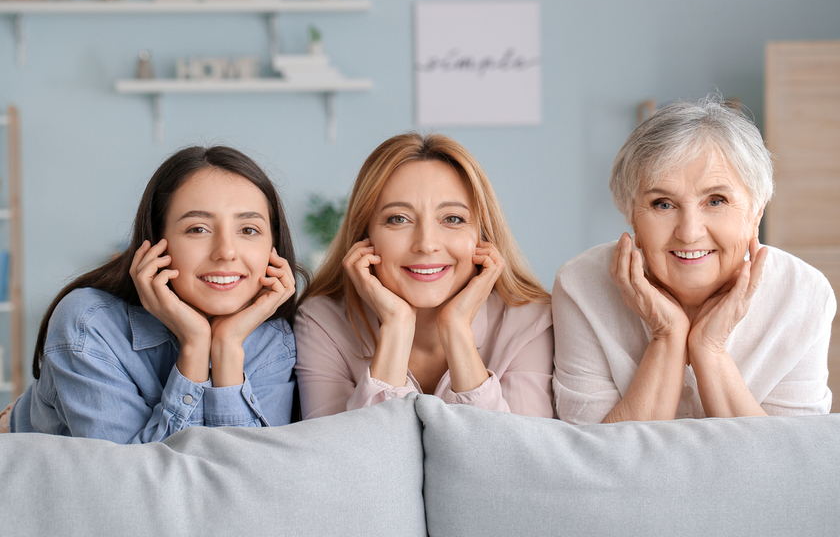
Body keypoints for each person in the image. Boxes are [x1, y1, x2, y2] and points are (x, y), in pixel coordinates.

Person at [553, 97, 835, 424]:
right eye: (662, 204)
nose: (689, 233)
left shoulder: (802, 294)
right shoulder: (582, 286)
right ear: (631, 217)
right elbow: (594, 463)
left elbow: (788, 465)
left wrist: (709, 349)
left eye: (716, 200)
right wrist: (668, 336)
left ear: (756, 212)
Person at [5, 146, 305, 443]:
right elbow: (133, 485)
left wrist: (226, 347)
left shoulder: (270, 336)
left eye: (249, 230)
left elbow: (249, 480)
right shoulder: (89, 324)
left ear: (272, 246)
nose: (226, 252)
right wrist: (195, 347)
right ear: (156, 243)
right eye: (198, 229)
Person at [294, 132, 554, 419]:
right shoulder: (322, 322)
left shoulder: (529, 322)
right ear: (365, 235)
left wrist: (457, 330)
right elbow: (346, 460)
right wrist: (396, 326)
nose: (427, 244)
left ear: (482, 235)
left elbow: (512, 459)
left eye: (452, 219)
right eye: (398, 219)